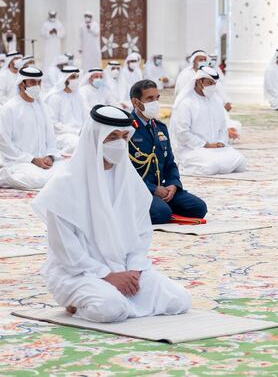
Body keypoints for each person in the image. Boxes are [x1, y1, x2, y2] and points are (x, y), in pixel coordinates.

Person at [32, 104, 191, 323]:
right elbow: (66, 251)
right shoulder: (63, 186)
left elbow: (142, 235)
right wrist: (107, 276)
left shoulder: (130, 182)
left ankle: (121, 297)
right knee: (111, 309)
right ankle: (78, 304)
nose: (119, 143)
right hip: (78, 274)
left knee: (179, 299)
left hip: (125, 270)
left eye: (125, 137)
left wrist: (134, 269)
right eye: (112, 137)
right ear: (95, 139)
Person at [128, 80, 208, 224]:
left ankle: (161, 205)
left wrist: (173, 185)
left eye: (157, 98)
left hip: (163, 188)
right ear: (136, 102)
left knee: (199, 208)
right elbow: (125, 171)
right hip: (139, 189)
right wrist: (153, 189)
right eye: (149, 99)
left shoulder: (160, 128)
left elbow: (170, 162)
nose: (155, 102)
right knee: (161, 214)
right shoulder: (127, 129)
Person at [169, 67, 246, 175]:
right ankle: (183, 165)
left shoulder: (216, 101)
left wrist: (221, 142)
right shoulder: (186, 103)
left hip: (216, 149)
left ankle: (218, 161)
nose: (213, 87)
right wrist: (206, 145)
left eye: (215, 83)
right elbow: (182, 133)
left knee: (240, 161)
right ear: (199, 81)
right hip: (193, 149)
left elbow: (223, 127)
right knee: (211, 166)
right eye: (210, 83)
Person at [0, 66, 62, 189]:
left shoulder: (42, 107)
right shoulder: (9, 108)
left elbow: (51, 138)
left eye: (39, 82)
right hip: (19, 162)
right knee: (38, 179)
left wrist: (49, 156)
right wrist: (32, 160)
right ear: (22, 84)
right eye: (33, 82)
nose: (37, 86)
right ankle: (4, 176)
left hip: (42, 162)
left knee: (69, 169)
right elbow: (4, 143)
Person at [44, 66, 84, 155]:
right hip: (60, 135)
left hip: (79, 132)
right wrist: (76, 131)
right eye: (73, 77)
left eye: (77, 77)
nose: (76, 79)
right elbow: (53, 124)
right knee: (77, 143)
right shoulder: (55, 97)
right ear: (65, 79)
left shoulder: (78, 95)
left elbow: (85, 116)